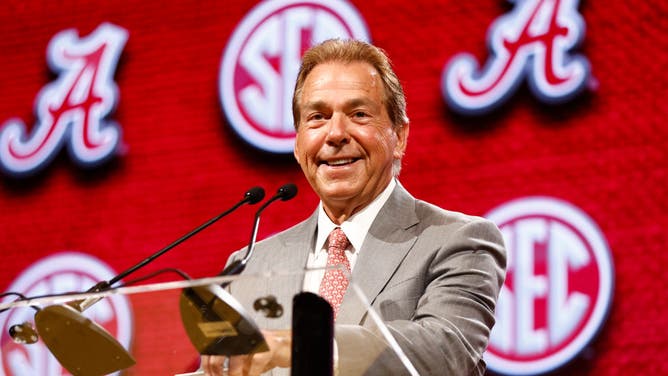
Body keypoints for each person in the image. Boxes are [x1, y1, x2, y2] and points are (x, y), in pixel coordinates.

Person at [201, 39, 506, 376]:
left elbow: (444, 351)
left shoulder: (458, 241)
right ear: (298, 142)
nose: (335, 134)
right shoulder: (248, 265)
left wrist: (297, 345)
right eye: (317, 117)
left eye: (359, 114)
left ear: (399, 136)